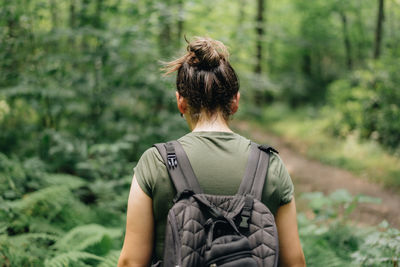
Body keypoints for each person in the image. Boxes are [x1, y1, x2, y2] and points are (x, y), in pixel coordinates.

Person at [118, 37, 306, 267]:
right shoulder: (270, 165)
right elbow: (295, 262)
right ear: (235, 101)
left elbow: (130, 262)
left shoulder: (155, 162)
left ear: (181, 102)